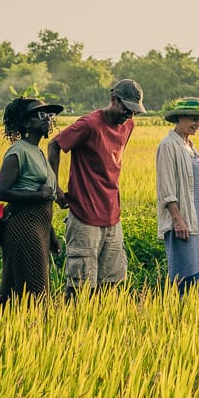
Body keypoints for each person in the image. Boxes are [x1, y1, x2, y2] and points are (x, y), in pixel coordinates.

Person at [48, 79, 144, 293]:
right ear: (114, 100)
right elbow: (54, 144)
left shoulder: (129, 125)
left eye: (134, 112)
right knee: (80, 285)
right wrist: (55, 187)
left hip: (112, 215)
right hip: (84, 215)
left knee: (113, 283)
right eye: (127, 109)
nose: (129, 116)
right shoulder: (89, 124)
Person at [0, 96, 64, 303]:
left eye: (49, 116)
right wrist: (38, 195)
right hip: (24, 228)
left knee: (27, 290)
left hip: (39, 229)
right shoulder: (19, 151)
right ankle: (30, 331)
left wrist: (50, 233)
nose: (48, 120)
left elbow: (46, 197)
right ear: (26, 123)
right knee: (34, 291)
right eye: (42, 115)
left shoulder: (38, 152)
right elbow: (2, 191)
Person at [155, 97, 199, 290]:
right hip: (183, 222)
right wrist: (178, 219)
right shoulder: (168, 145)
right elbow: (166, 188)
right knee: (187, 271)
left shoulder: (191, 147)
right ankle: (184, 312)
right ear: (180, 117)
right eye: (194, 119)